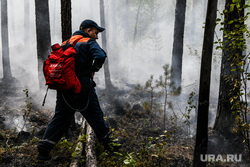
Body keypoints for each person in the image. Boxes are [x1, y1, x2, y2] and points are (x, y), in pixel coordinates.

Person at [37, 19, 112, 160]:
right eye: (95, 32)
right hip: (82, 87)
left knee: (60, 118)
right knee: (95, 116)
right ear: (88, 31)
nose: (97, 36)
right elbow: (101, 56)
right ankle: (111, 147)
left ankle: (43, 151)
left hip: (64, 88)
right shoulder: (88, 42)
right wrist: (93, 69)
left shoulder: (66, 43)